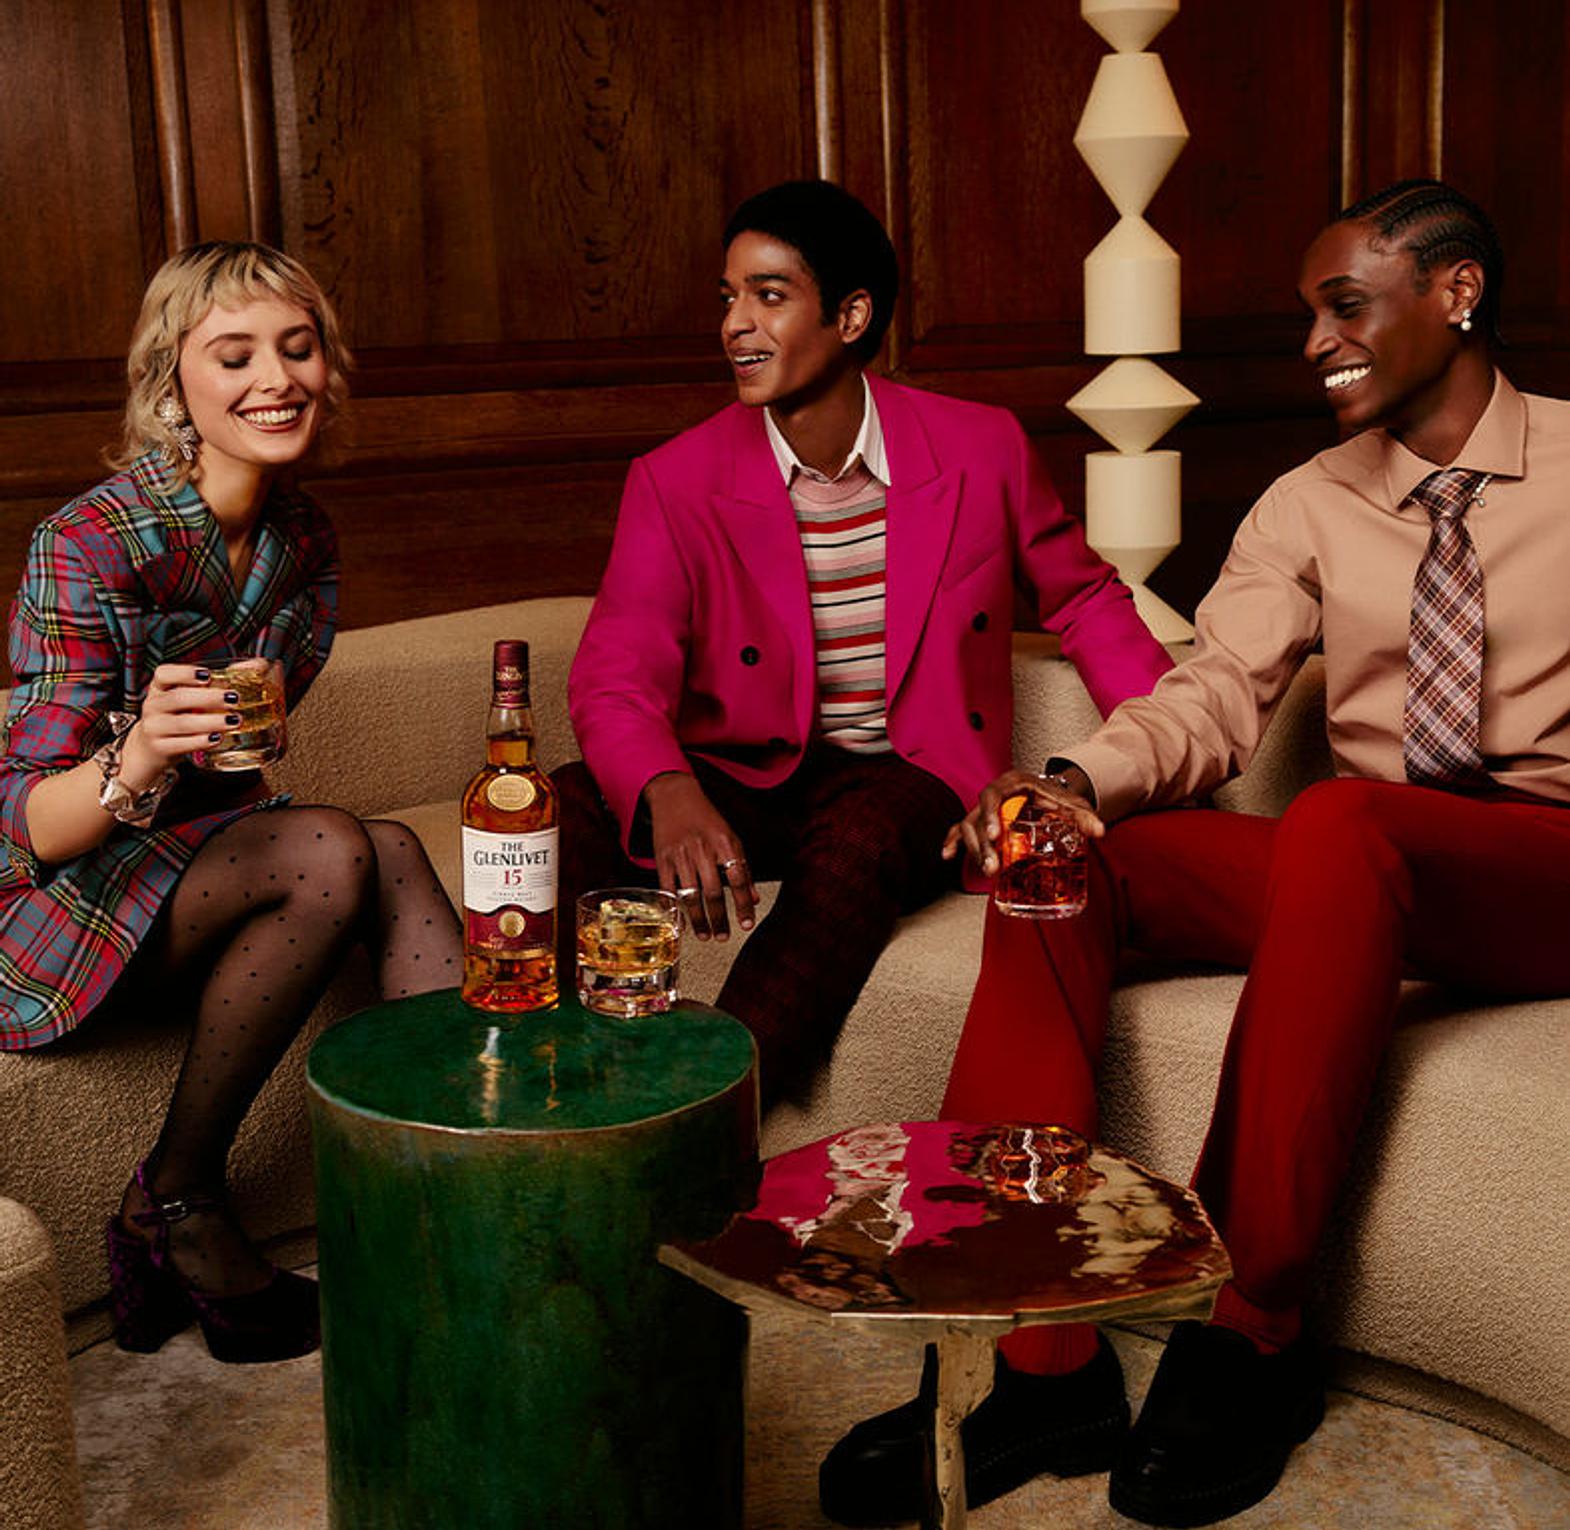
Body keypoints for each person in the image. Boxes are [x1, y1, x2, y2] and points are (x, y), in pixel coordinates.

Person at [822, 177, 1570, 1527]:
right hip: (1366, 868)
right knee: (1057, 858)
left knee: (1338, 820)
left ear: (1456, 293)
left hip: (1544, 869)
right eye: (1306, 316)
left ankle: (1253, 1322)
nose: (1314, 343)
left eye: (1344, 307)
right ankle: (1034, 1354)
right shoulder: (1309, 500)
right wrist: (1068, 785)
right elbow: (1213, 693)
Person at [555, 178, 1172, 1112]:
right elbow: (614, 674)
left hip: (905, 775)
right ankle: (542, 1091)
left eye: (769, 295)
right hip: (748, 771)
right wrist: (667, 789)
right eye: (729, 297)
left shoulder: (981, 447)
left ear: (849, 316)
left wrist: (1167, 741)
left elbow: (1084, 599)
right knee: (558, 807)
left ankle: (703, 1117)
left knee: (858, 839)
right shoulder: (674, 479)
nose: (735, 324)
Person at [0, 242, 462, 1364]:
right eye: (235, 354)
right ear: (172, 381)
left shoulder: (303, 538)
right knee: (331, 847)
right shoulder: (86, 541)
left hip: (201, 866)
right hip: (55, 904)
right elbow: (28, 827)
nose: (277, 378)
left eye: (298, 348)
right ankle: (177, 1199)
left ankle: (458, 1200)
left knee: (390, 850)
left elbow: (250, 763)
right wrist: (141, 753)